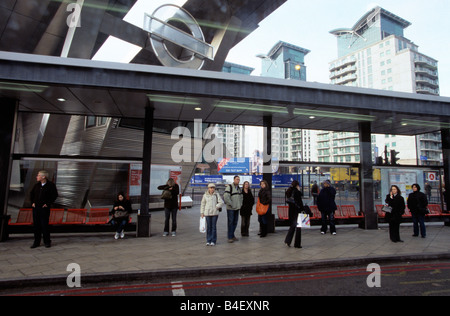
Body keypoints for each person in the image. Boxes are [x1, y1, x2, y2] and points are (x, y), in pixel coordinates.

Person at [30, 170, 58, 248]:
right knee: (36, 225)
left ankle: (47, 241)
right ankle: (36, 242)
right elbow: (32, 194)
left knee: (44, 225)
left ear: (43, 177)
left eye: (38, 175)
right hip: (36, 208)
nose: (37, 176)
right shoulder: (37, 185)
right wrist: (32, 202)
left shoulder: (50, 185)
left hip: (44, 208)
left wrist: (48, 203)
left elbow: (54, 195)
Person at [224, 176, 243, 243]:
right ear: (234, 180)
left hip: (237, 208)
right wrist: (231, 204)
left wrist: (240, 204)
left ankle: (232, 235)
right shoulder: (229, 187)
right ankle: (230, 237)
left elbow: (241, 197)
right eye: (237, 179)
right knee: (230, 222)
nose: (238, 180)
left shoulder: (239, 189)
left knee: (235, 222)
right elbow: (226, 197)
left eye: (239, 179)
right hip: (231, 208)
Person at [284, 180, 303, 248]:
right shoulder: (297, 192)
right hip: (297, 211)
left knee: (293, 226)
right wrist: (299, 190)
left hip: (291, 211)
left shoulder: (289, 191)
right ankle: (297, 244)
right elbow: (300, 202)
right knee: (298, 227)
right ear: (297, 185)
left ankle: (288, 240)